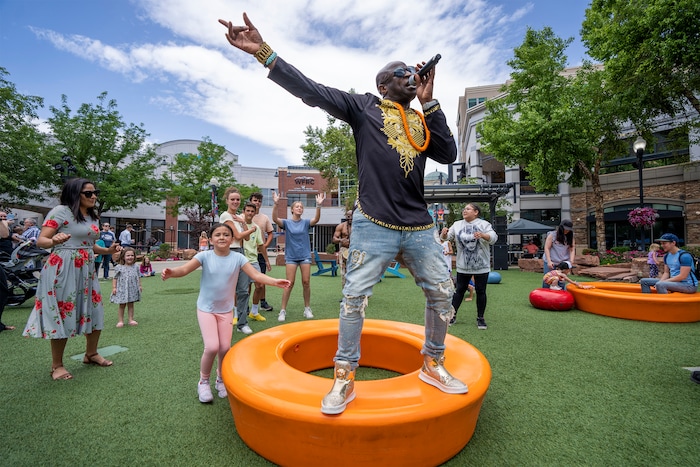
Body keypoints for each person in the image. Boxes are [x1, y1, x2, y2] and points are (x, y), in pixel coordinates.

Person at [219, 13, 465, 415]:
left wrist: (429, 99)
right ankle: (344, 376)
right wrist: (263, 53)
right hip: (374, 224)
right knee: (353, 299)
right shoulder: (363, 107)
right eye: (401, 72)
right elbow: (311, 90)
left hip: (420, 226)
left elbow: (447, 154)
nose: (410, 74)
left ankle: (433, 363)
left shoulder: (420, 118)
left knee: (441, 294)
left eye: (412, 71)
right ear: (383, 85)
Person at [161, 222, 290, 403]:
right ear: (211, 239)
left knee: (224, 348)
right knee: (212, 346)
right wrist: (171, 272)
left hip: (226, 310)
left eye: (226, 234)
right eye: (218, 234)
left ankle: (220, 380)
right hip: (206, 309)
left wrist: (274, 281)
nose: (222, 237)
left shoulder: (238, 258)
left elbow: (256, 275)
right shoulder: (204, 256)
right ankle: (203, 381)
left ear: (232, 239)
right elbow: (184, 269)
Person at [22, 178, 120, 380]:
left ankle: (91, 354)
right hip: (63, 267)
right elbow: (41, 241)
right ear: (75, 194)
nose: (94, 196)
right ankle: (57, 365)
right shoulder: (60, 212)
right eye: (88, 193)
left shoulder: (93, 217)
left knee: (94, 309)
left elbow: (90, 245)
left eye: (95, 192)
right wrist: (53, 239)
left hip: (86, 268)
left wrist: (108, 250)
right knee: (63, 311)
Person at [441, 203, 497, 328]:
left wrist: (483, 235)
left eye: (468, 209)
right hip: (463, 266)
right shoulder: (457, 224)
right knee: (459, 290)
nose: (464, 210)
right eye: (464, 209)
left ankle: (480, 318)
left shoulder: (484, 224)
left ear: (476, 212)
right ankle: (452, 316)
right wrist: (444, 233)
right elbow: (446, 238)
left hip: (481, 266)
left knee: (481, 291)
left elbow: (493, 238)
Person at [272, 191, 325, 322]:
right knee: (289, 283)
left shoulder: (306, 223)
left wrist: (318, 206)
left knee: (306, 282)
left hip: (304, 256)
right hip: (291, 257)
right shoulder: (287, 223)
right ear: (292, 210)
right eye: (297, 206)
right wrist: (276, 204)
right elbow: (274, 219)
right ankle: (283, 310)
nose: (300, 208)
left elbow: (316, 219)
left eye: (301, 207)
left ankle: (307, 308)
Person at [236, 202, 267, 329]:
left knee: (259, 285)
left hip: (253, 261)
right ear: (244, 211)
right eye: (247, 210)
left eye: (252, 211)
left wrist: (267, 261)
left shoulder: (256, 227)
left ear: (255, 213)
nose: (249, 213)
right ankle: (236, 314)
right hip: (241, 259)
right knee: (242, 290)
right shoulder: (237, 225)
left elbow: (260, 245)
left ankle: (254, 312)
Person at [250, 192, 275, 312]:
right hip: (247, 254)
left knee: (262, 279)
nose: (257, 203)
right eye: (255, 200)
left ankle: (263, 302)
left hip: (260, 254)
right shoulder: (243, 216)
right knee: (247, 282)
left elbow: (270, 233)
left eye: (259, 201)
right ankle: (245, 305)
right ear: (250, 201)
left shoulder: (264, 218)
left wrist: (265, 245)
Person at [111, 247, 142, 327]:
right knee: (122, 305)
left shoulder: (136, 266)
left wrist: (139, 285)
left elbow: (138, 277)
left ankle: (131, 319)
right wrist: (114, 287)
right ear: (123, 257)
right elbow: (115, 278)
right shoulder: (119, 267)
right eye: (128, 255)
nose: (130, 257)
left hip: (132, 288)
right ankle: (120, 321)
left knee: (131, 304)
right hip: (122, 289)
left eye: (132, 255)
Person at [543, 220, 575, 287]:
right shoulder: (552, 235)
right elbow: (547, 248)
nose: (567, 231)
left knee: (561, 281)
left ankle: (561, 296)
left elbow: (572, 250)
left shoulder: (570, 237)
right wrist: (549, 261)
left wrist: (571, 261)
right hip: (551, 260)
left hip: (562, 262)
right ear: (561, 227)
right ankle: (546, 296)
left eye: (568, 230)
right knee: (548, 280)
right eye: (565, 229)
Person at [332, 210, 353, 288]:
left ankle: (356, 294)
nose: (350, 217)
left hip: (355, 250)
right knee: (344, 273)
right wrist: (341, 240)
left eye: (351, 215)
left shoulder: (358, 226)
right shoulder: (341, 226)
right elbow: (334, 239)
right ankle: (345, 293)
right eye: (348, 216)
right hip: (344, 250)